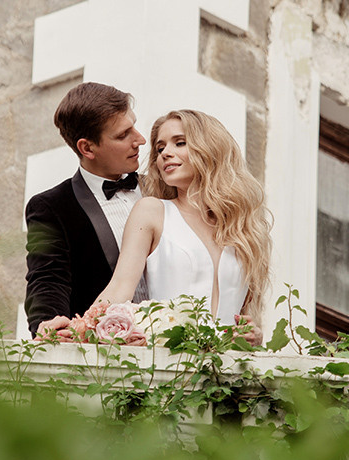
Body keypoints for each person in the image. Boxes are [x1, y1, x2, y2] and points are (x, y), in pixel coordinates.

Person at [94, 110, 271, 340]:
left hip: (232, 361)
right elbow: (119, 289)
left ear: (210, 148)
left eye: (180, 143)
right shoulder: (152, 211)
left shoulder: (242, 230)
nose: (165, 153)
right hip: (172, 359)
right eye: (160, 149)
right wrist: (77, 330)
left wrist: (255, 336)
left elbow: (244, 316)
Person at [24, 82, 147, 334]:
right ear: (87, 148)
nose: (140, 140)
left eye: (134, 126)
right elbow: (48, 278)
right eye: (123, 135)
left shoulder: (166, 189)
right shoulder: (51, 207)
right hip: (106, 350)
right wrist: (49, 324)